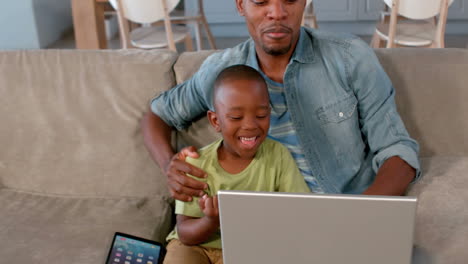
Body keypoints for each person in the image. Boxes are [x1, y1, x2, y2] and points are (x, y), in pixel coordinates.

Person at [141, 0, 421, 201]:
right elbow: (157, 115)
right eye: (261, 1)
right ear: (241, 5)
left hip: (346, 208)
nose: (277, 12)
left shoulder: (350, 58)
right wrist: (168, 165)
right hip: (266, 226)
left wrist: (364, 211)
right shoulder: (221, 73)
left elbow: (397, 148)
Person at [162, 65, 310, 264]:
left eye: (261, 115)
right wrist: (210, 221)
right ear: (215, 121)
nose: (250, 125)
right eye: (236, 117)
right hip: (195, 246)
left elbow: (301, 210)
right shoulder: (196, 163)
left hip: (248, 248)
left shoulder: (278, 156)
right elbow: (186, 234)